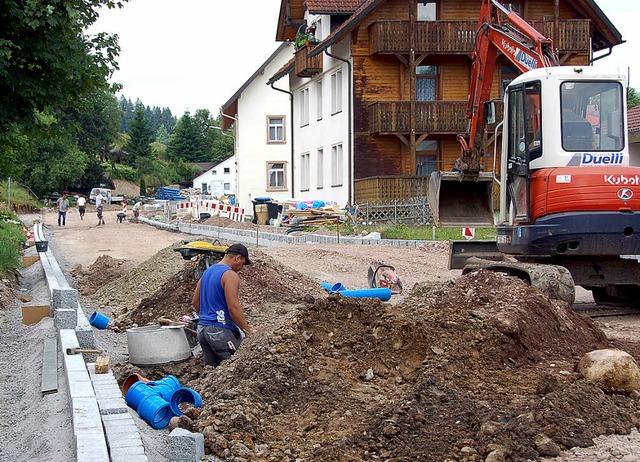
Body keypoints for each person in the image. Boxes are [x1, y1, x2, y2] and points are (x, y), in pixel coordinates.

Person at [192, 243, 252, 367]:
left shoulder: (207, 272)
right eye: (243, 263)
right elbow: (233, 308)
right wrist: (248, 332)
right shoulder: (229, 275)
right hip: (220, 331)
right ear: (238, 258)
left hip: (202, 329)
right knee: (236, 367)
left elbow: (195, 302)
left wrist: (207, 317)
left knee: (213, 372)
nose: (242, 267)